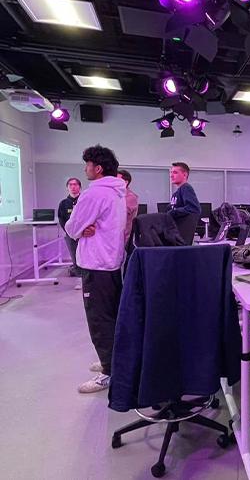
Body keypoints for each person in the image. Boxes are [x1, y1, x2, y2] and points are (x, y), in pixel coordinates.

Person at [64, 145, 127, 394]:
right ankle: (111, 361)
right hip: (112, 262)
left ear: (97, 168)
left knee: (99, 321)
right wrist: (84, 227)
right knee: (112, 316)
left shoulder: (93, 194)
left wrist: (81, 229)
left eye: (88, 165)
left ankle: (109, 372)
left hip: (95, 264)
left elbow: (72, 227)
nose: (85, 169)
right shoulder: (118, 191)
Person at [58, 177, 82, 279]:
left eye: (75, 184)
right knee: (74, 257)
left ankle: (85, 278)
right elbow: (61, 219)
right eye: (70, 185)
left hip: (84, 235)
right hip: (70, 236)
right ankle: (78, 276)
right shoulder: (63, 203)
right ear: (67, 188)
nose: (73, 187)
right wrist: (70, 232)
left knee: (85, 257)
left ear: (80, 187)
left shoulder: (84, 200)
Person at [117, 169, 139, 242]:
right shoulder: (115, 195)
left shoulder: (131, 197)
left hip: (123, 237)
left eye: (117, 180)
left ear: (125, 182)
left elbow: (119, 216)